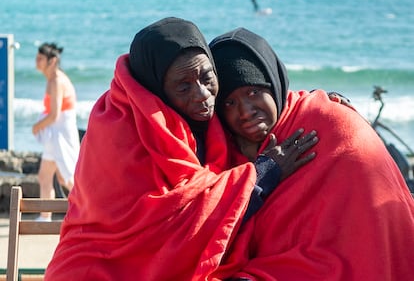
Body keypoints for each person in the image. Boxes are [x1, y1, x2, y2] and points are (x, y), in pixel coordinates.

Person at [44, 17, 317, 280]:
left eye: (207, 77)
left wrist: (319, 104)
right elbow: (167, 222)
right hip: (99, 271)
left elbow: (259, 92)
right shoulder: (119, 127)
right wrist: (262, 174)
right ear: (156, 90)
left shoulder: (205, 117)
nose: (201, 94)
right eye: (183, 86)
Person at [208, 27, 414, 280]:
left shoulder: (329, 123)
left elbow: (365, 222)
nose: (246, 111)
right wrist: (264, 170)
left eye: (254, 92)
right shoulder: (222, 148)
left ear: (275, 85)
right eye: (229, 102)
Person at [32, 42, 80, 221]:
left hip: (60, 135)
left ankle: (89, 209)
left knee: (67, 179)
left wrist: (36, 127)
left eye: (40, 59)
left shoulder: (57, 81)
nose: (37, 61)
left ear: (52, 61)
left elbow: (54, 114)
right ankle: (45, 216)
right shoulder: (52, 79)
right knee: (46, 175)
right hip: (55, 135)